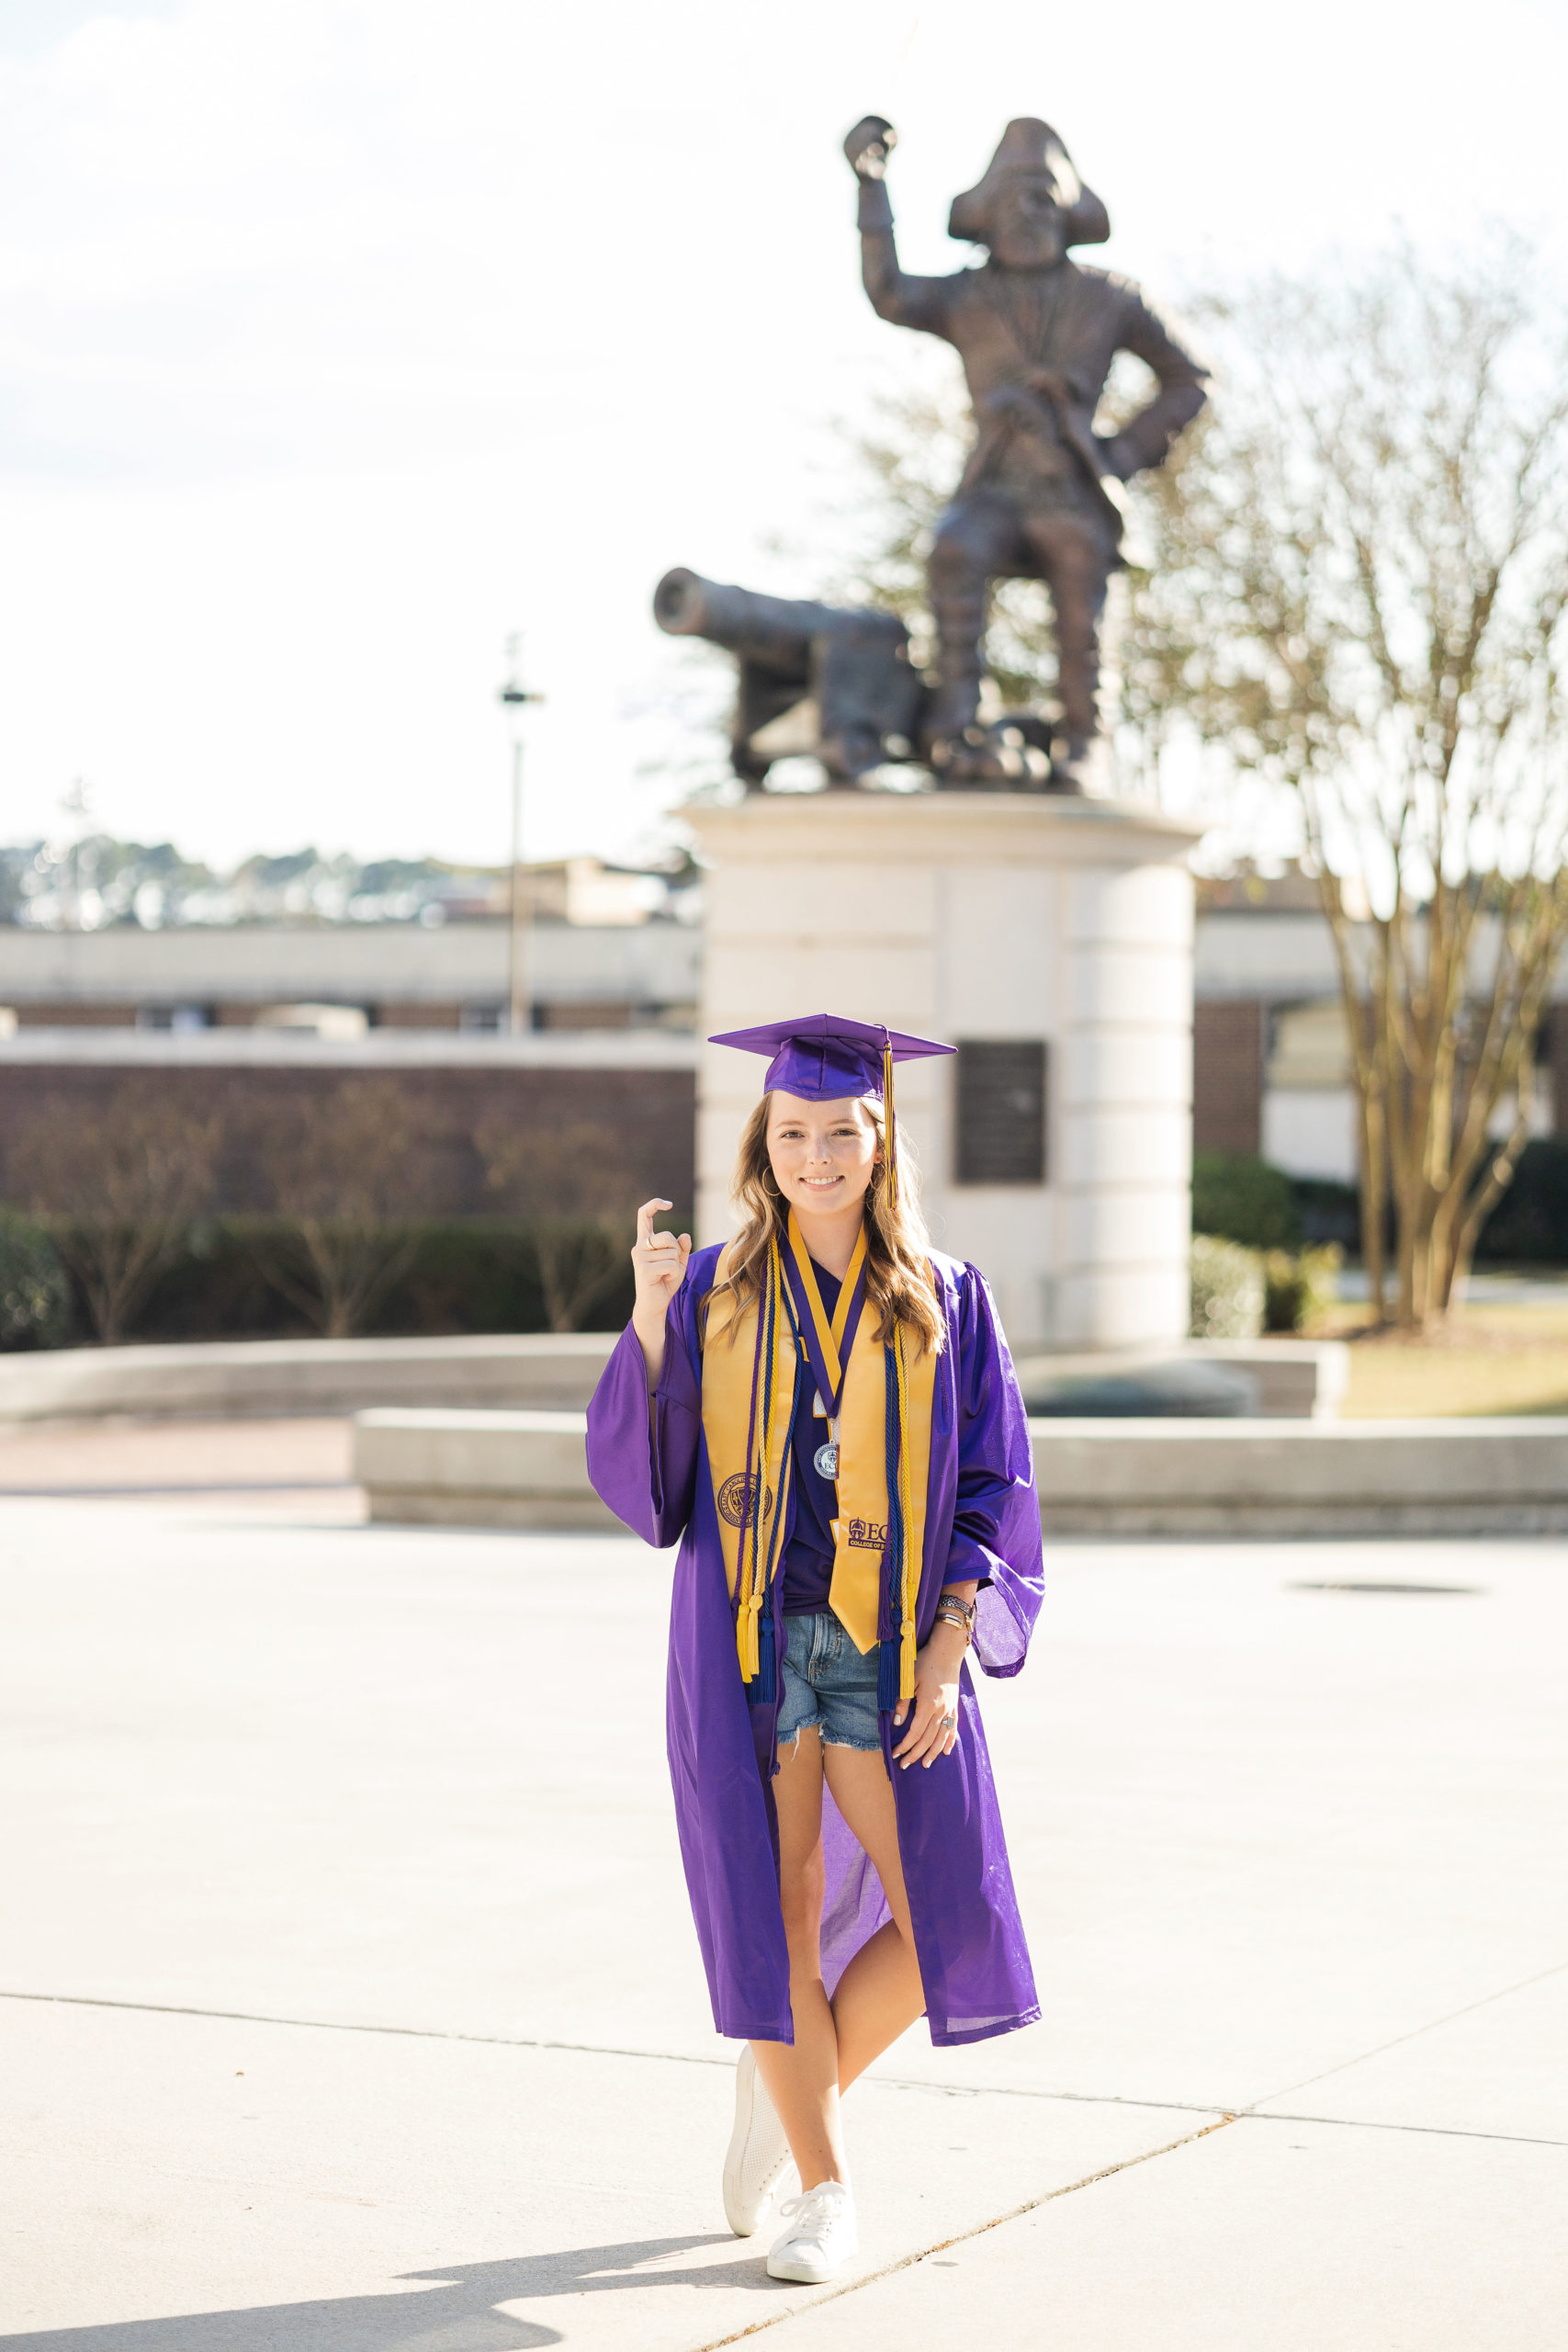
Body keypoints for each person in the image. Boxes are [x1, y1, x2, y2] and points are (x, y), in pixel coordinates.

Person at [586, 1012, 1043, 2285]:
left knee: (942, 1908)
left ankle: (790, 2082)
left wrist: (953, 1646)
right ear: (762, 1142)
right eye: (791, 1133)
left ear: (879, 1142)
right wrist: (650, 1323)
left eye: (839, 1132)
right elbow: (652, 1489)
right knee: (776, 1901)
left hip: (890, 1650)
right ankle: (824, 2186)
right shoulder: (720, 1289)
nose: (815, 1156)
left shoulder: (946, 1299)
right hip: (753, 1647)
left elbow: (991, 1490)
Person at [845, 114, 1208, 786]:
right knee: (952, 546)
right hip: (992, 488)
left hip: (1070, 490)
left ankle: (1083, 736)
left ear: (1068, 211)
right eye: (1011, 199)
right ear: (985, 214)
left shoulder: (1109, 297)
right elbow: (888, 292)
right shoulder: (965, 295)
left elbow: (1189, 379)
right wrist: (871, 190)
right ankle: (956, 724)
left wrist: (1123, 455)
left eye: (1043, 199)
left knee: (1079, 566)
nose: (1027, 213)